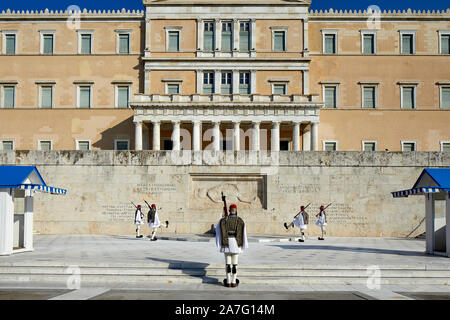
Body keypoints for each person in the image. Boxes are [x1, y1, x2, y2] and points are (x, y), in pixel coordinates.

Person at [215, 204, 248, 288]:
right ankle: (234, 281)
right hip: (236, 243)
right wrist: (244, 245)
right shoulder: (240, 220)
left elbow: (218, 232)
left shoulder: (222, 220)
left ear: (229, 210)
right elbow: (244, 233)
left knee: (228, 264)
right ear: (236, 210)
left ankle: (228, 281)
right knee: (235, 264)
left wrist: (219, 244)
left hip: (226, 243)